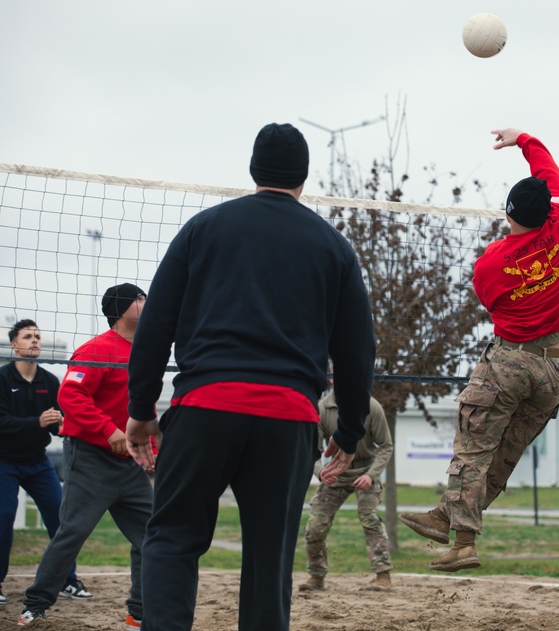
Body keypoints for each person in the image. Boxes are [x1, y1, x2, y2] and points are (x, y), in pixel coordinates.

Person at [125, 122, 376, 631]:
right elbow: (356, 352)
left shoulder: (204, 228)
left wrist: (139, 410)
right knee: (269, 560)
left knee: (172, 538)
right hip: (287, 420)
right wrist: (348, 432)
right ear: (305, 177)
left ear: (253, 170)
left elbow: (155, 327)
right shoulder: (334, 247)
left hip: (204, 408)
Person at [400, 128, 559, 572]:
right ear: (549, 210)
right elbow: (551, 174)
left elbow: (491, 300)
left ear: (509, 211)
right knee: (503, 455)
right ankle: (449, 524)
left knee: (473, 448)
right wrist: (526, 140)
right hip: (554, 368)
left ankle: (462, 542)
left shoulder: (492, 262)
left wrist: (517, 138)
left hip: (510, 361)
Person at [19, 285, 152, 628]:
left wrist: (147, 450)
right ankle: (36, 604)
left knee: (151, 536)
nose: (147, 302)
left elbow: (143, 408)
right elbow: (71, 396)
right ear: (122, 309)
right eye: (140, 299)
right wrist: (109, 431)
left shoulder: (146, 352)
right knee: (73, 532)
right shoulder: (97, 348)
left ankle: (139, 610)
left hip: (130, 464)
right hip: (91, 457)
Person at [1, 320, 92, 607]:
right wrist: (36, 422)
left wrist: (63, 424)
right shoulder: (2, 379)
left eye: (38, 336)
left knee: (62, 517)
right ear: (14, 344)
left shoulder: (49, 381)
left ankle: (68, 580)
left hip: (37, 462)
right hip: (4, 461)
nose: (35, 340)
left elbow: (55, 426)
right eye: (28, 336)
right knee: (3, 517)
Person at [299, 392, 393, 592]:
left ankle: (383, 576)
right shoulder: (321, 409)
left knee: (369, 518)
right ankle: (316, 576)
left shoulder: (371, 406)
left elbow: (386, 446)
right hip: (334, 472)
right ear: (331, 380)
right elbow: (311, 451)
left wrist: (371, 475)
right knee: (315, 525)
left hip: (365, 470)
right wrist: (321, 473)